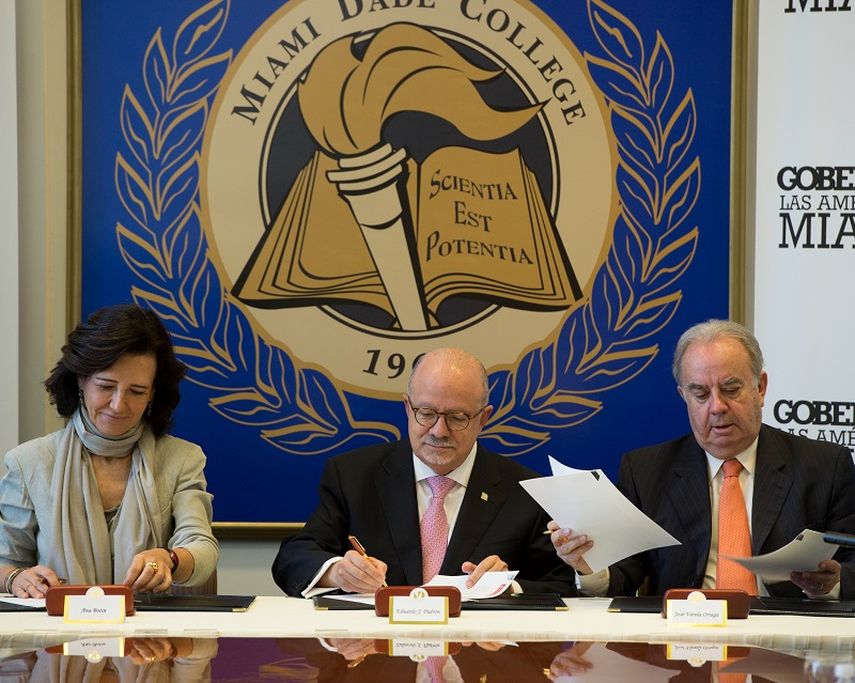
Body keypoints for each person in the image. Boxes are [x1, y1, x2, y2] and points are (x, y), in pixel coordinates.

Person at [549, 319, 855, 598]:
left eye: (731, 389)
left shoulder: (825, 466)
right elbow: (623, 576)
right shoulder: (646, 471)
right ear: (683, 395)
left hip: (788, 643)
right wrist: (588, 566)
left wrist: (835, 582)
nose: (717, 406)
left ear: (760, 388)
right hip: (682, 643)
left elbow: (852, 563)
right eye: (700, 394)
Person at [272, 347, 576, 596]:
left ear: (483, 419)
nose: (439, 431)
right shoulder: (353, 475)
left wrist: (507, 588)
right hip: (378, 659)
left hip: (480, 660)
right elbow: (294, 557)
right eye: (426, 413)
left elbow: (559, 584)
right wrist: (338, 572)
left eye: (457, 417)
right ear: (407, 407)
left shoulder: (524, 490)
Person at [0, 304, 218, 597]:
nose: (118, 404)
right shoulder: (29, 462)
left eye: (137, 391)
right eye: (105, 386)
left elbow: (202, 548)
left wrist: (169, 558)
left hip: (154, 638)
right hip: (55, 637)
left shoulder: (182, 459)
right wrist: (15, 578)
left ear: (153, 392)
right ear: (81, 380)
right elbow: (5, 563)